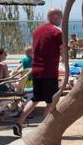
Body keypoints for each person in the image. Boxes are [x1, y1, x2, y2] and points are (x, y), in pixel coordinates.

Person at [13, 8, 63, 136]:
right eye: (60, 17)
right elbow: (63, 50)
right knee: (51, 101)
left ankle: (19, 123)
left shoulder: (36, 31)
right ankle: (45, 129)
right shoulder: (56, 31)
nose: (61, 20)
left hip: (36, 70)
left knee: (36, 98)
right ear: (55, 16)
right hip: (49, 71)